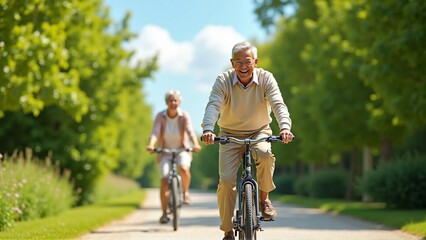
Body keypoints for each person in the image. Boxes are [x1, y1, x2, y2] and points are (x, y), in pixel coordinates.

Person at [201, 41, 294, 240]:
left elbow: (278, 104)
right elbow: (213, 105)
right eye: (238, 62)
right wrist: (208, 129)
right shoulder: (223, 80)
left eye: (248, 61)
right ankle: (227, 231)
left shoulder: (266, 78)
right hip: (229, 134)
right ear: (232, 63)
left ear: (256, 62)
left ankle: (264, 199)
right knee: (226, 181)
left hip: (259, 131)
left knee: (265, 155)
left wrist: (285, 127)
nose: (243, 66)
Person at [147, 89, 201, 224]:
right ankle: (164, 213)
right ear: (166, 102)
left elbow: (190, 131)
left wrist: (195, 144)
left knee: (183, 169)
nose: (173, 103)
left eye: (175, 100)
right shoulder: (160, 116)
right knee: (164, 180)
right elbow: (155, 132)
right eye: (170, 100)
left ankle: (185, 193)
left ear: (179, 102)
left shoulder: (184, 116)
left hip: (182, 150)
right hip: (165, 151)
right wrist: (151, 144)